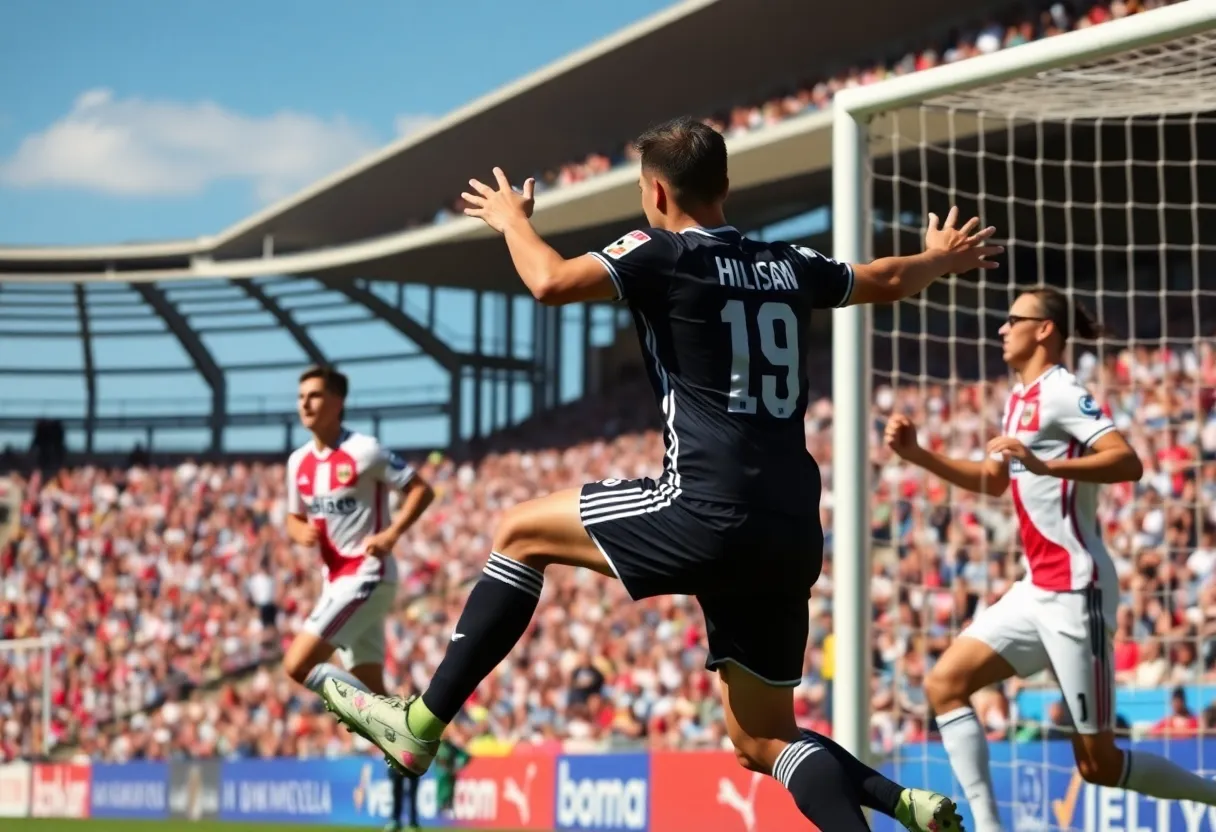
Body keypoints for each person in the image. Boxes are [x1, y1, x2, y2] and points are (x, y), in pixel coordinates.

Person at [322, 116, 1002, 830]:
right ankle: (895, 801)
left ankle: (422, 721)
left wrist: (510, 221)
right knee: (763, 739)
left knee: (519, 531)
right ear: (726, 186)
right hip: (793, 527)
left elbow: (550, 282)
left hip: (708, 506)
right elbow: (888, 278)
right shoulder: (787, 261)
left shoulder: (660, 251)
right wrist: (938, 259)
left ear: (655, 192)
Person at [886, 287, 1216, 831]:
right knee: (944, 683)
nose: (1001, 328)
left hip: (1076, 593)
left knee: (1099, 765)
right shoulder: (1018, 398)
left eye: (1013, 318)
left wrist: (1046, 467)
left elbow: (1127, 461)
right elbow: (994, 480)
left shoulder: (1063, 391)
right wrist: (918, 454)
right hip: (1035, 587)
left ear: (1044, 330)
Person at [282, 365, 434, 832]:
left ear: (337, 402)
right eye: (301, 396)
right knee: (379, 706)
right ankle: (402, 811)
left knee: (297, 665)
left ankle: (406, 730)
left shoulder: (364, 450)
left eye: (314, 396)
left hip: (366, 576)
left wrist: (391, 534)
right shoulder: (297, 463)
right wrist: (299, 531)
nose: (304, 403)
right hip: (336, 583)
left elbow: (421, 490)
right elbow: (292, 517)